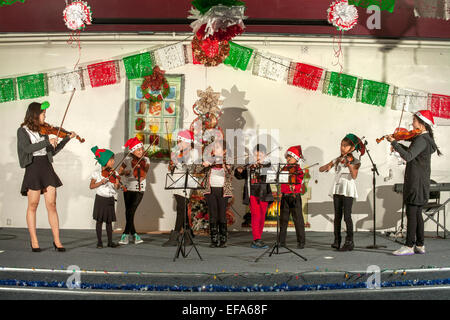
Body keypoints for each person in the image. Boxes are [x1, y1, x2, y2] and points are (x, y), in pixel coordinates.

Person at [17, 101, 76, 252]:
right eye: (43, 114)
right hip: (33, 167)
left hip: (46, 167)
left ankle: (57, 241)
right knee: (33, 205)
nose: (45, 116)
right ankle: (34, 241)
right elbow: (27, 148)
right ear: (35, 115)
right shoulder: (22, 131)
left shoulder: (44, 131)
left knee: (52, 204)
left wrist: (65, 139)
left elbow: (52, 152)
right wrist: (45, 142)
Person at [386, 110, 441, 256]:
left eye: (415, 121)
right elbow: (412, 153)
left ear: (422, 124)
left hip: (416, 181)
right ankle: (420, 244)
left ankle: (409, 245)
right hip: (420, 180)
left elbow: (409, 156)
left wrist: (394, 143)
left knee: (412, 214)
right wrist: (398, 146)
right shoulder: (424, 139)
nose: (412, 123)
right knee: (417, 214)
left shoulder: (422, 139)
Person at [319, 134, 364, 251]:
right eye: (341, 145)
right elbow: (321, 169)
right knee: (337, 216)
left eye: (345, 146)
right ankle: (336, 240)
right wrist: (328, 166)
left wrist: (349, 164)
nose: (342, 148)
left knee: (347, 216)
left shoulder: (355, 161)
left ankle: (349, 242)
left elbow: (354, 176)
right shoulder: (338, 159)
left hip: (347, 189)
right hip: (337, 188)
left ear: (352, 148)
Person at [162, 130, 200, 246]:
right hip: (177, 181)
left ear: (188, 142)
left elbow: (189, 166)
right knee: (181, 209)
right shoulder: (178, 152)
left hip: (186, 182)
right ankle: (188, 238)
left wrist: (178, 160)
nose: (179, 143)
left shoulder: (193, 152)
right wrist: (172, 164)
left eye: (181, 141)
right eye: (178, 141)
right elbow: (174, 168)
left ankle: (175, 237)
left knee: (181, 209)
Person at [234, 144, 273, 249]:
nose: (257, 156)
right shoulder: (249, 165)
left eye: (260, 154)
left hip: (264, 193)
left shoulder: (268, 164)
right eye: (256, 154)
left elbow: (271, 173)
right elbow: (239, 176)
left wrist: (262, 165)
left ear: (264, 155)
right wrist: (238, 171)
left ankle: (258, 238)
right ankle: (256, 239)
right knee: (256, 215)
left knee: (262, 217)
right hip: (252, 194)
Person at [201, 140, 234, 248]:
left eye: (218, 148)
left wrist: (227, 167)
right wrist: (205, 164)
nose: (214, 150)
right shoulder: (209, 159)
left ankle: (223, 238)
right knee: (213, 214)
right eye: (214, 148)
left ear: (224, 151)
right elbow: (199, 169)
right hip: (210, 190)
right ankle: (214, 239)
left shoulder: (228, 161)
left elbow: (230, 173)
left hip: (223, 191)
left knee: (222, 215)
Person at [118, 137, 150, 245]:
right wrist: (125, 172)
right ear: (132, 151)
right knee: (128, 211)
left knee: (131, 210)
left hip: (139, 188)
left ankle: (125, 233)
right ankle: (134, 234)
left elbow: (144, 175)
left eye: (141, 149)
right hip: (127, 187)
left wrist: (140, 174)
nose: (141, 152)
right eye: (138, 150)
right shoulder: (127, 159)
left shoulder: (146, 160)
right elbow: (120, 171)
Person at [89, 146, 121, 249]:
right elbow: (91, 186)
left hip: (110, 199)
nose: (113, 162)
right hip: (100, 199)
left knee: (109, 222)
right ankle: (99, 242)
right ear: (104, 161)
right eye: (111, 160)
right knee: (99, 221)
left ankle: (110, 242)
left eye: (113, 159)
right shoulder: (97, 173)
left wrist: (117, 182)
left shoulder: (114, 173)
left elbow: (117, 187)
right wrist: (101, 182)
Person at [279, 146, 306, 249]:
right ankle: (281, 241)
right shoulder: (284, 168)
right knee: (283, 220)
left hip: (294, 196)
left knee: (298, 220)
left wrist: (294, 187)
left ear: (296, 158)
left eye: (290, 157)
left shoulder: (299, 170)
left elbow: (299, 182)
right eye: (287, 157)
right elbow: (281, 180)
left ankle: (301, 241)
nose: (288, 159)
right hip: (285, 196)